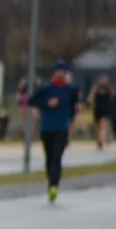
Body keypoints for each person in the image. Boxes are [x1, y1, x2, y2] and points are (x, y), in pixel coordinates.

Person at [27, 60, 81, 203]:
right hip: (46, 127)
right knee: (49, 158)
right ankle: (51, 181)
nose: (60, 74)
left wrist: (72, 119)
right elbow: (31, 101)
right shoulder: (45, 88)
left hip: (62, 128)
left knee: (57, 158)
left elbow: (74, 106)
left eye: (63, 72)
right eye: (58, 72)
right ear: (54, 72)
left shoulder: (70, 90)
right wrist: (47, 104)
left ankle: (53, 186)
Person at [86, 74, 114, 149]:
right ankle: (99, 141)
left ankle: (102, 141)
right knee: (98, 127)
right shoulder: (96, 89)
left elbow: (113, 97)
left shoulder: (109, 89)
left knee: (103, 126)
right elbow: (90, 98)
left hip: (106, 110)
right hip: (98, 110)